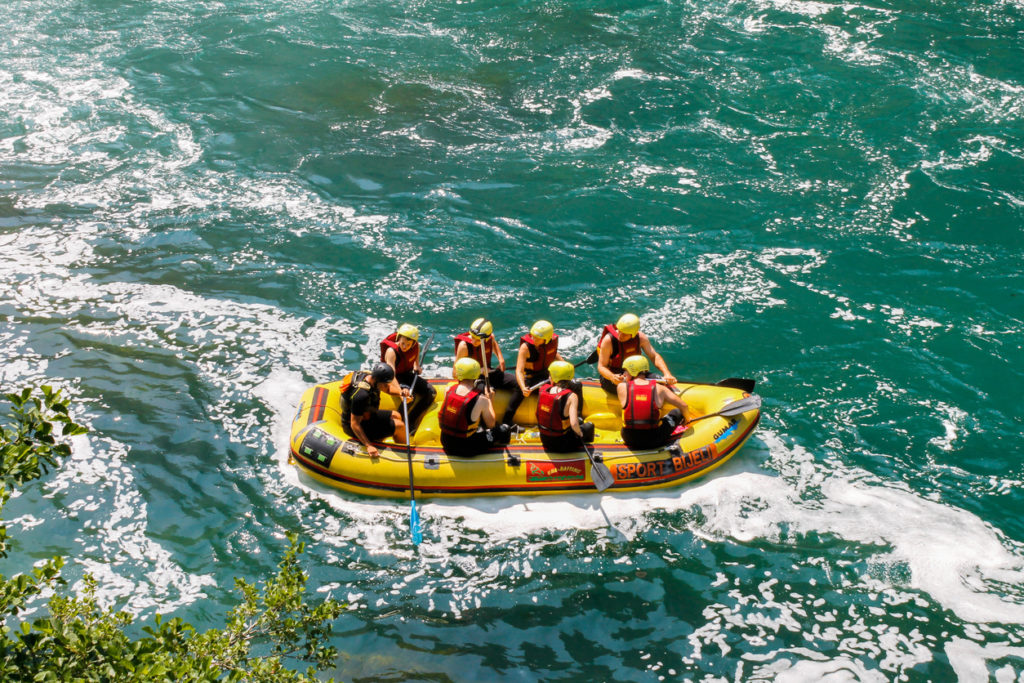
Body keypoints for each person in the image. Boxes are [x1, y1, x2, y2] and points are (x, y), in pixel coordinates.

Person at [616, 355, 692, 451]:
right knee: (677, 412)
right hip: (654, 440)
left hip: (629, 438)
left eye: (625, 371)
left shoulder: (621, 387)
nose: (623, 374)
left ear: (632, 371)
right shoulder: (660, 388)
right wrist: (687, 419)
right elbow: (684, 406)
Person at [501, 320, 570, 426]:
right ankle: (506, 421)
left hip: (546, 375)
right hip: (530, 378)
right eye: (533, 336)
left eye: (537, 338)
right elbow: (519, 370)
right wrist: (523, 387)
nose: (533, 339)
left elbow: (553, 354)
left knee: (570, 386)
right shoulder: (526, 347)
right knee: (519, 391)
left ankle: (571, 416)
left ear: (546, 340)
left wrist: (565, 366)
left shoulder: (550, 343)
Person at [439, 358, 511, 457]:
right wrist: (489, 400)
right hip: (467, 447)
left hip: (445, 441)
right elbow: (491, 424)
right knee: (504, 429)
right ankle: (499, 454)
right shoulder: (482, 399)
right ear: (476, 375)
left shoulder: (448, 390)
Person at [597, 313, 677, 393]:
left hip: (635, 373)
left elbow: (654, 356)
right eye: (619, 331)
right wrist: (612, 377)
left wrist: (667, 374)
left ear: (633, 334)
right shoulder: (609, 340)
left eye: (624, 334)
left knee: (662, 383)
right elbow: (601, 366)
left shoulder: (641, 338)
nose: (620, 336)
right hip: (613, 376)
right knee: (633, 390)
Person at [340, 363, 407, 457]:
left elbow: (388, 389)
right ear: (378, 381)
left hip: (368, 416)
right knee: (399, 426)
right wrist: (368, 445)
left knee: (396, 415)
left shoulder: (370, 378)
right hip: (355, 426)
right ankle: (405, 454)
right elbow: (354, 424)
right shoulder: (361, 396)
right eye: (385, 384)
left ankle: (383, 439)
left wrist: (400, 392)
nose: (387, 386)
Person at [380, 323, 437, 431]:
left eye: (408, 344)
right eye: (403, 343)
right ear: (398, 339)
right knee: (409, 397)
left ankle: (411, 421)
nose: (405, 347)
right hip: (393, 377)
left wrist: (417, 366)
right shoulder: (391, 352)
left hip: (406, 374)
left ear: (413, 343)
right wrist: (400, 392)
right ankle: (399, 424)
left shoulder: (416, 346)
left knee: (431, 392)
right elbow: (391, 375)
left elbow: (415, 360)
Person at [536, 361, 595, 453]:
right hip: (562, 444)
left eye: (550, 375)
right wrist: (580, 434)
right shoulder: (571, 396)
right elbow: (574, 424)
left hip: (544, 439)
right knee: (589, 426)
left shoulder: (543, 389)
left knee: (579, 422)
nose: (549, 377)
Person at [452, 318, 516, 392]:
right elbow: (454, 373)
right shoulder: (464, 346)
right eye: (472, 337)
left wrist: (501, 360)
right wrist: (480, 371)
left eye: (478, 340)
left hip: (488, 373)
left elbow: (492, 341)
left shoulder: (490, 338)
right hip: (472, 379)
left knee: (517, 384)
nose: (473, 341)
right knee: (489, 392)